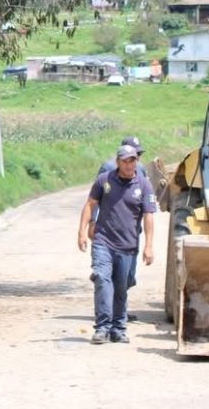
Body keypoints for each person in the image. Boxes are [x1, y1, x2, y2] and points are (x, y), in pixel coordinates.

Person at [77, 144, 156, 345]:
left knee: (121, 288)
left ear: (136, 161)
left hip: (128, 245)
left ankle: (118, 329)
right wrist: (82, 231)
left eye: (132, 160)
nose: (129, 165)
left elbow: (148, 216)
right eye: (125, 161)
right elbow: (90, 204)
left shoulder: (144, 185)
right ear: (118, 162)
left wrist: (148, 246)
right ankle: (102, 328)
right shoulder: (104, 180)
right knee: (102, 278)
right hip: (103, 241)